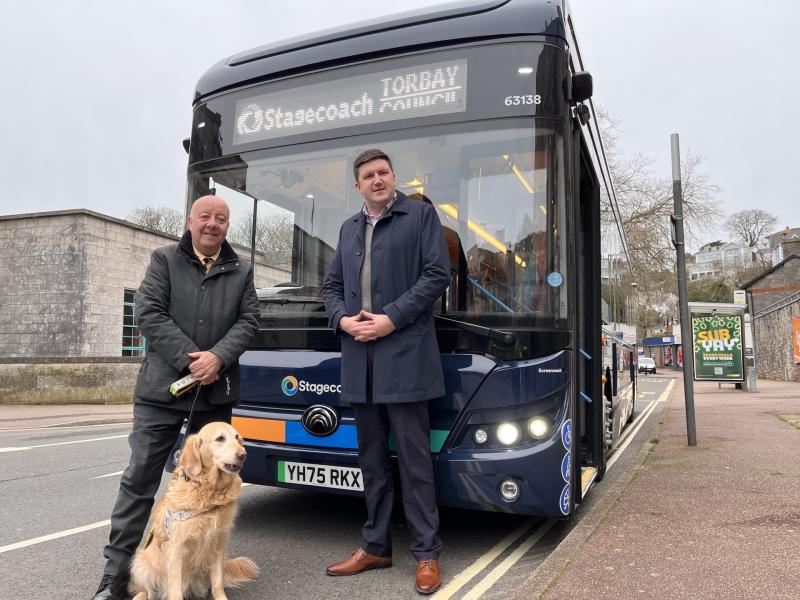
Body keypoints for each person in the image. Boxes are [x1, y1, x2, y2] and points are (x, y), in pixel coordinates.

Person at [91, 195, 260, 599]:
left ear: (226, 226)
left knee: (216, 487)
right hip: (160, 395)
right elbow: (148, 312)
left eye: (220, 218)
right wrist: (192, 360)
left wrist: (219, 357)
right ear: (190, 221)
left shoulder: (242, 270)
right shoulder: (163, 260)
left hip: (215, 397)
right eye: (205, 216)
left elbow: (249, 319)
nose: (212, 224)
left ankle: (199, 572)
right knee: (139, 482)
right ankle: (116, 576)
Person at [322, 149, 450, 595]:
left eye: (382, 172)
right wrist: (342, 320)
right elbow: (332, 287)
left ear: (394, 177)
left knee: (415, 463)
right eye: (367, 176)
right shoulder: (347, 229)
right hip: (360, 362)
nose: (376, 180)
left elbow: (436, 276)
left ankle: (427, 554)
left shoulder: (420, 217)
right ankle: (375, 545)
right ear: (357, 186)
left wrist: (389, 318)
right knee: (371, 461)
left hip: (406, 360)